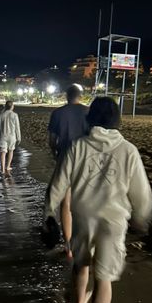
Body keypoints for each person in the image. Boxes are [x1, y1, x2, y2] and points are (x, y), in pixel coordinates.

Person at [45, 97, 152, 303]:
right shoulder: (128, 150)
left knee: (81, 265)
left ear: (90, 118)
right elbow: (142, 193)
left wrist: (49, 213)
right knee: (104, 278)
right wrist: (142, 216)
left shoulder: (77, 147)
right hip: (113, 222)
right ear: (117, 120)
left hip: (83, 217)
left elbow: (58, 184)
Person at [47, 84, 89, 254]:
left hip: (65, 160)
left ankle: (69, 246)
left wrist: (55, 153)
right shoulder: (88, 112)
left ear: (66, 96)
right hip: (86, 161)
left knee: (66, 202)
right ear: (81, 96)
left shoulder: (57, 113)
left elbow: (52, 141)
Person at [0, 100, 21, 173]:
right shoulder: (15, 115)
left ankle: (2, 169)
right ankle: (8, 166)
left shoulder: (2, 114)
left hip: (3, 136)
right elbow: (17, 127)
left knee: (3, 152)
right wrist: (19, 137)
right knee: (11, 151)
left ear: (5, 106)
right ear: (12, 106)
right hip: (12, 136)